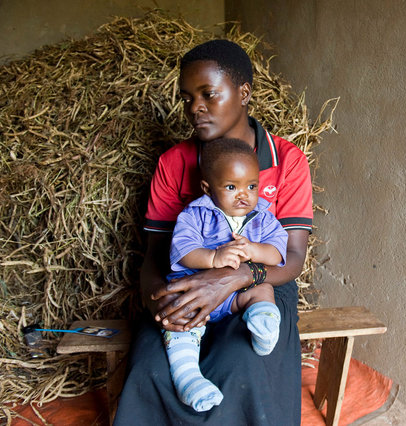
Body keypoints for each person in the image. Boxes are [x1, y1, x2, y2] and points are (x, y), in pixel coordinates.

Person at [114, 39, 313, 425]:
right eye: (187, 97)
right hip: (184, 279)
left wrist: (232, 278)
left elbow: (293, 258)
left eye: (208, 94)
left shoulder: (287, 160)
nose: (195, 108)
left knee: (243, 368)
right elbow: (155, 255)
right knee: (153, 371)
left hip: (259, 283)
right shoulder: (174, 162)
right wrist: (163, 304)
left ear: (244, 93)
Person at [162, 138, 289, 412]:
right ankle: (188, 377)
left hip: (234, 297)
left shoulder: (263, 217)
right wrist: (212, 257)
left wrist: (255, 250)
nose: (243, 195)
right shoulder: (195, 215)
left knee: (263, 291)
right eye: (231, 187)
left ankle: (264, 329)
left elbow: (278, 253)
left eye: (251, 186)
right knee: (179, 321)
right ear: (208, 188)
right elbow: (182, 250)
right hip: (195, 296)